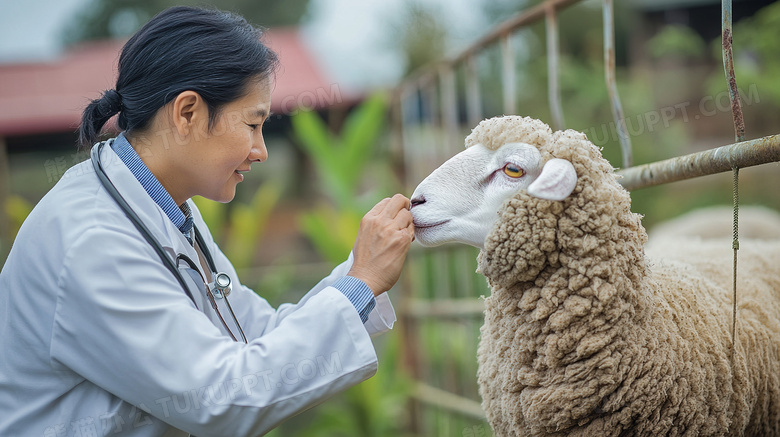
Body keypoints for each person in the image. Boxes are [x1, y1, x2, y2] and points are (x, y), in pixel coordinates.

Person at [0, 6, 414, 436]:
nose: (261, 150)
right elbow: (221, 397)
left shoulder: (168, 211)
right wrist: (361, 281)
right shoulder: (91, 241)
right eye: (253, 124)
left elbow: (257, 333)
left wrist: (361, 274)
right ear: (187, 114)